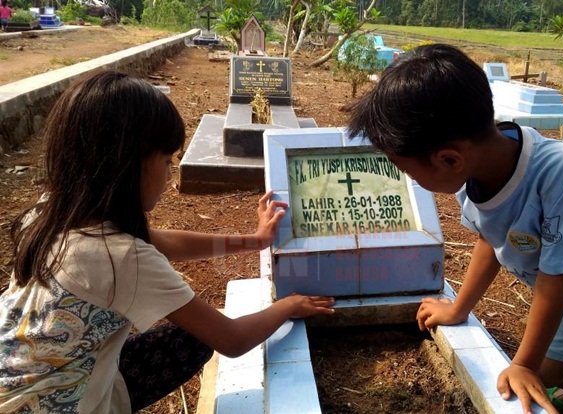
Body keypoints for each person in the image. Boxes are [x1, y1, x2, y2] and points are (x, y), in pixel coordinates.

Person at [0, 70, 335, 413]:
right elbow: (232, 340)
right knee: (203, 336)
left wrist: (256, 240)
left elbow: (167, 242)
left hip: (17, 378)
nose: (169, 174)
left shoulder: (51, 212)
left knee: (190, 341)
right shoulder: (119, 258)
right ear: (128, 165)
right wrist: (288, 306)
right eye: (167, 161)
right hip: (56, 405)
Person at [348, 43, 563, 414]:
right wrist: (459, 308)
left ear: (449, 158)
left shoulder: (561, 169)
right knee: (527, 385)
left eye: (407, 170)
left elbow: (556, 277)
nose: (409, 179)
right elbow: (490, 237)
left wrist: (525, 364)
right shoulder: (471, 174)